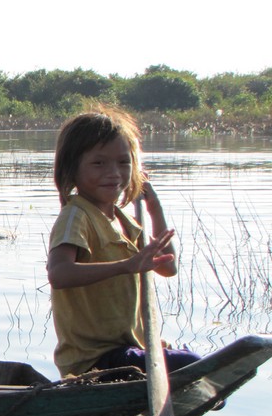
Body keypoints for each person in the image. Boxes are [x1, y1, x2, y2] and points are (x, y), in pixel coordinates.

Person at [46, 107, 200, 378]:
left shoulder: (126, 222)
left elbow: (168, 268)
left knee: (193, 365)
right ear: (73, 169)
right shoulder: (76, 216)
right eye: (99, 163)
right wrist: (126, 265)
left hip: (130, 348)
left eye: (123, 163)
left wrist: (155, 210)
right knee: (192, 364)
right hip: (94, 360)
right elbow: (59, 274)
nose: (113, 173)